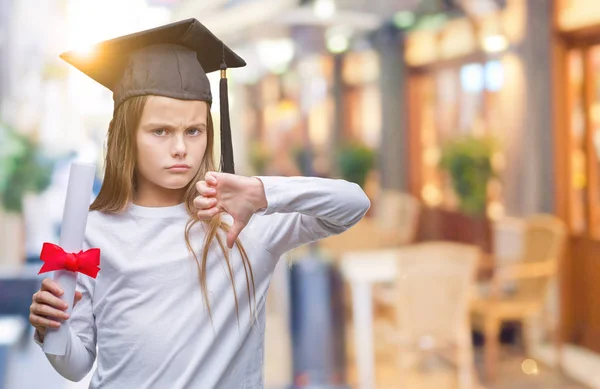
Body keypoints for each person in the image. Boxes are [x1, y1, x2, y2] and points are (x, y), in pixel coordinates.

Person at [28, 18, 370, 389]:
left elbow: (352, 203)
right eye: (160, 131)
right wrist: (53, 332)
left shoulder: (241, 222)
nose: (180, 148)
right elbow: (78, 366)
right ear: (127, 136)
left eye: (194, 131)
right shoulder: (92, 232)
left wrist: (261, 192)